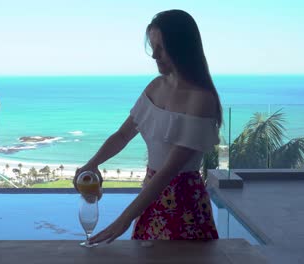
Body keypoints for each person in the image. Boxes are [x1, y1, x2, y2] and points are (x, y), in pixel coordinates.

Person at [73, 9, 221, 243]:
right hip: (150, 197)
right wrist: (92, 164)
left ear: (182, 47)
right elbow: (123, 135)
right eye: (153, 47)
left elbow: (168, 172)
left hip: (183, 204)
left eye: (162, 48)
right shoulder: (155, 87)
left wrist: (123, 220)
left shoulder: (201, 99)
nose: (154, 55)